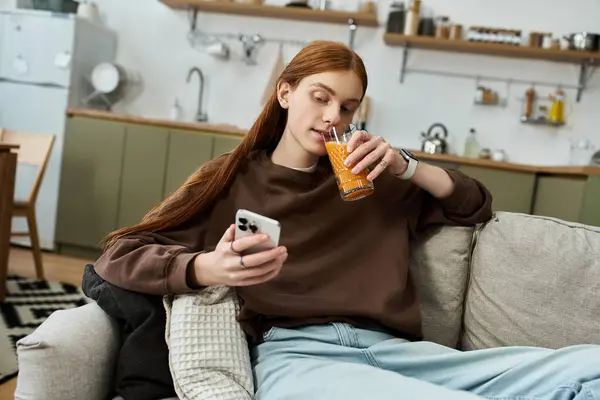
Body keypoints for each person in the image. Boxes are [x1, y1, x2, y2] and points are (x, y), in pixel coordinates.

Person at [83, 41, 600, 400]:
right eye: (320, 97)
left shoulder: (374, 179)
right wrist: (206, 269)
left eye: (348, 107)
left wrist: (409, 166)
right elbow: (119, 254)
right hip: (298, 357)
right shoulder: (231, 177)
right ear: (286, 94)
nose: (334, 116)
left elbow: (475, 204)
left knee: (589, 367)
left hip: (395, 351)